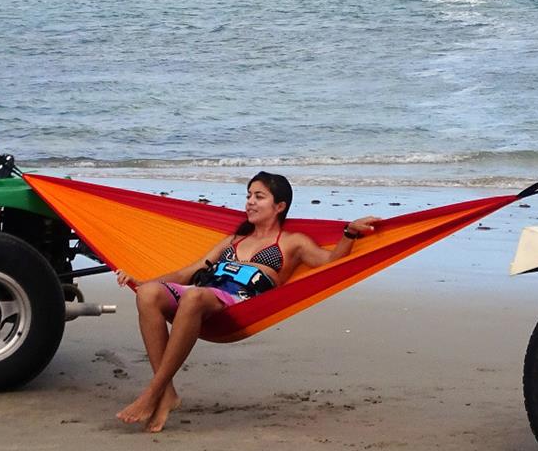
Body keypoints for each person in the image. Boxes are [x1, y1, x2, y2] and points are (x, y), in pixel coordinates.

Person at [114, 172, 378, 432]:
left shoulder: (291, 242)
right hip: (203, 294)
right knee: (149, 293)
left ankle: (152, 393)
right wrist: (142, 281)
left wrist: (349, 233)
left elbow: (330, 263)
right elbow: (187, 273)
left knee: (194, 296)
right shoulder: (235, 239)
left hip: (239, 304)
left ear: (279, 206)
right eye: (248, 195)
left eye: (259, 196)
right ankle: (167, 393)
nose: (250, 201)